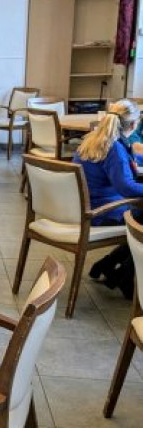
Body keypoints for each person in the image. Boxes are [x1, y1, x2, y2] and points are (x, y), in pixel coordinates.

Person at [73, 101, 143, 299]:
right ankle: (123, 274)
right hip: (102, 211)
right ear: (132, 125)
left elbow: (128, 161)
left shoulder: (93, 139)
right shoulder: (115, 149)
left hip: (88, 205)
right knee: (141, 218)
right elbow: (127, 187)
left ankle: (108, 265)